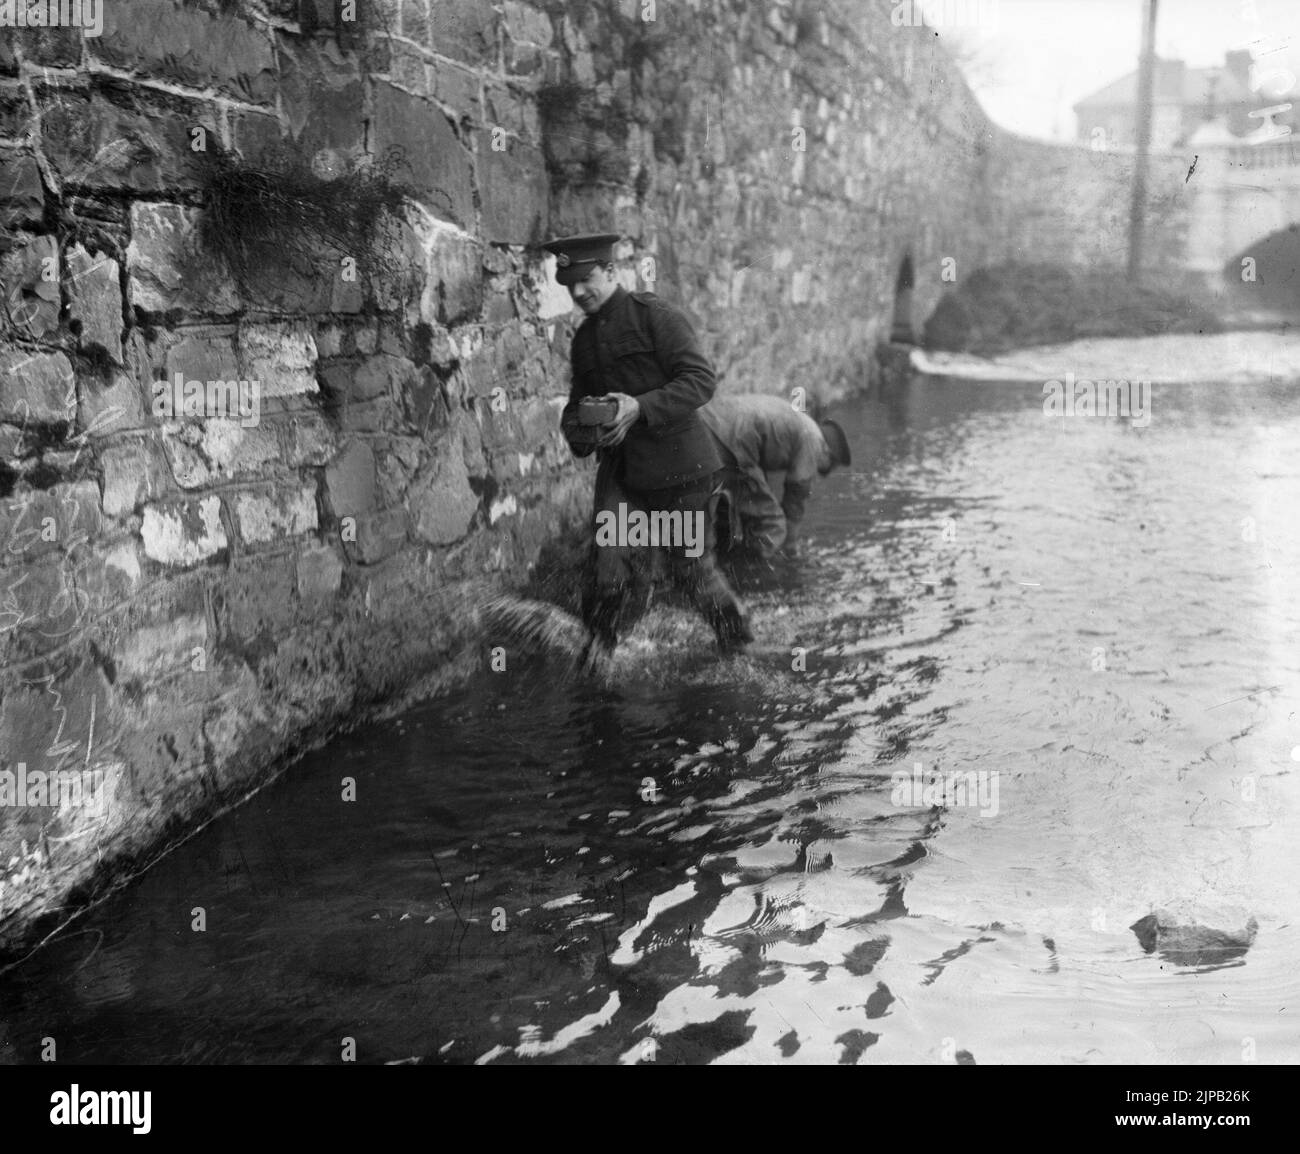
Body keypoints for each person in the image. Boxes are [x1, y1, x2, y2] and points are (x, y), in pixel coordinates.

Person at [544, 232, 753, 663]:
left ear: (611, 271)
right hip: (623, 476)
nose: (578, 291)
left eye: (587, 279)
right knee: (606, 570)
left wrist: (638, 407)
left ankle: (739, 649)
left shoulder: (654, 315)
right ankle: (599, 661)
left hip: (682, 470)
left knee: (692, 572)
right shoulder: (584, 340)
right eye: (570, 285)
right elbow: (574, 410)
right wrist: (585, 432)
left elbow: (700, 380)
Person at [698, 393, 851, 561]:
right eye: (823, 467)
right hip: (733, 441)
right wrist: (791, 547)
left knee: (729, 509)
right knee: (773, 524)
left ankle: (724, 561)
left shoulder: (799, 421)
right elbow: (796, 494)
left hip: (709, 419)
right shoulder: (814, 440)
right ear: (827, 453)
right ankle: (754, 573)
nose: (817, 470)